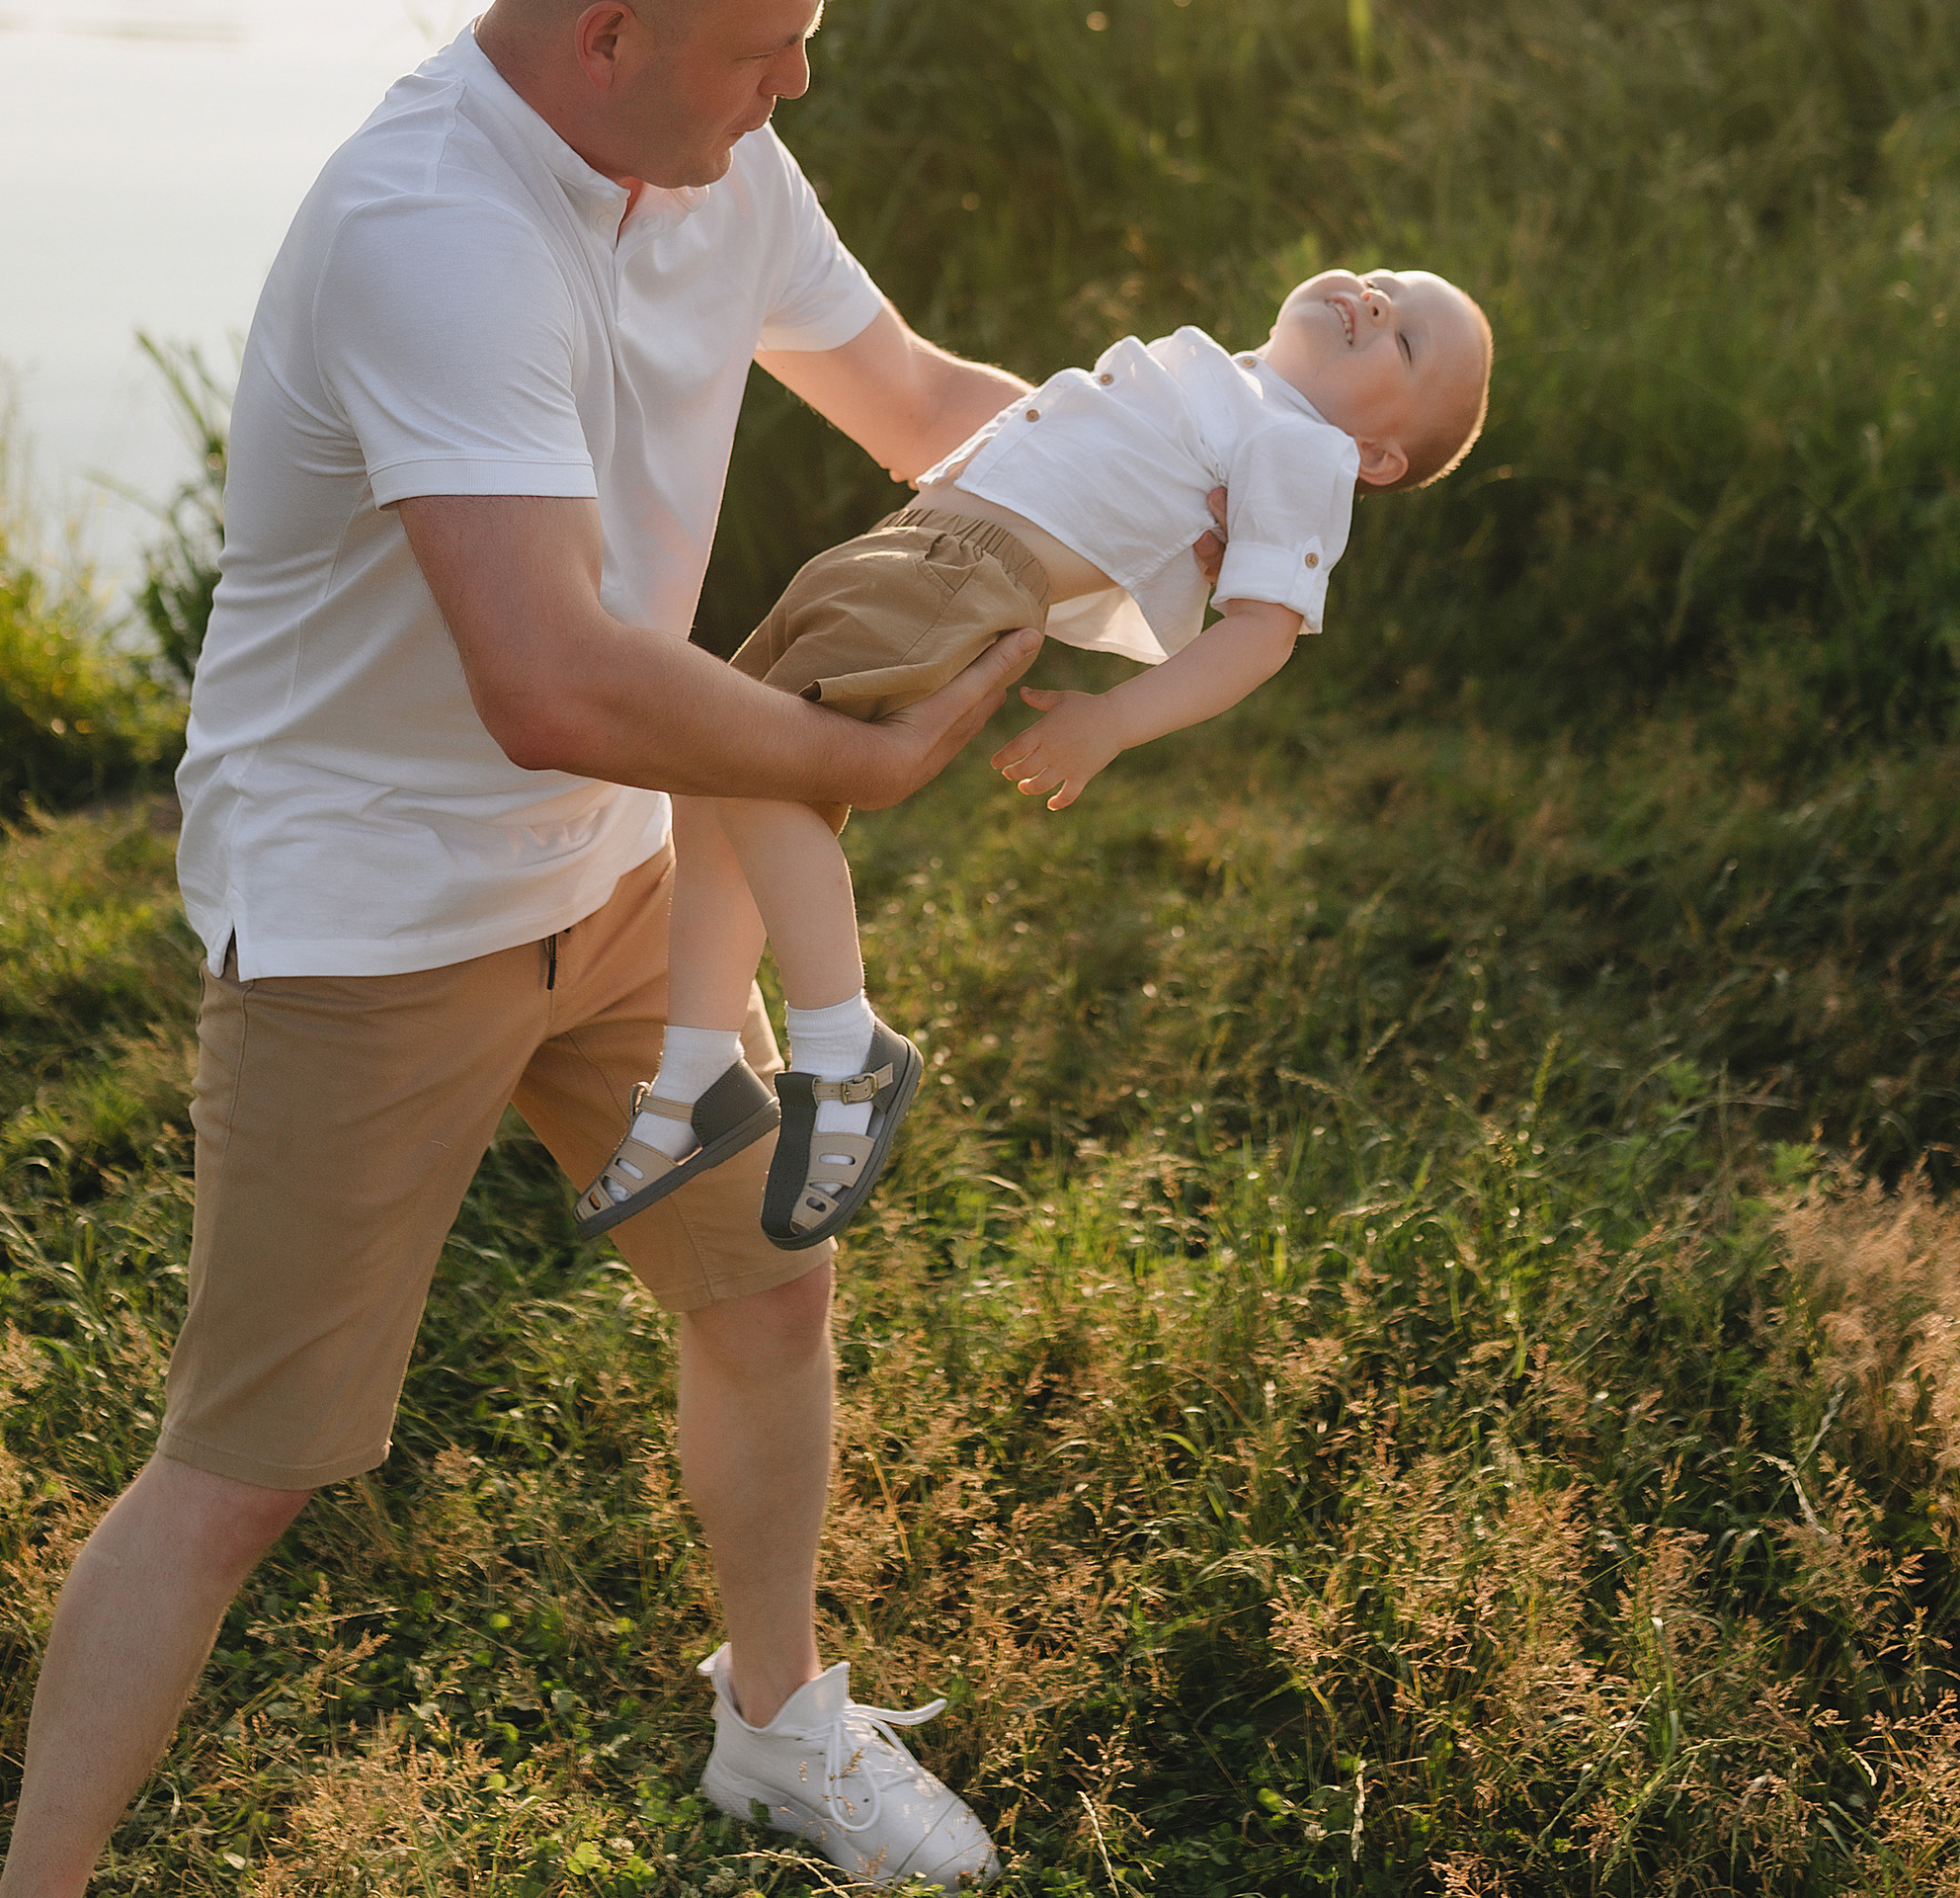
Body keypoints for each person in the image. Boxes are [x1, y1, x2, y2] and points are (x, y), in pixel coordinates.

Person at [0, 0, 1144, 1898]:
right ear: (603, 29)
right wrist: (855, 753)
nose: (798, 88)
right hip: (368, 914)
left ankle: (771, 1721)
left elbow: (913, 405)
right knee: (241, 1474)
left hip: (617, 883)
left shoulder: (707, 157)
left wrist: (1207, 470)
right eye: (767, 46)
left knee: (768, 1287)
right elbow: (549, 671)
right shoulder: (428, 224)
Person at [577, 268, 1492, 1251]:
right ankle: (699, 1070)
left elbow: (1263, 630)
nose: (1375, 302)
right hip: (900, 545)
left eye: (1405, 341)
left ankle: (845, 1052)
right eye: (1383, 281)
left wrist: (1113, 719)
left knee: (754, 768)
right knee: (710, 779)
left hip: (962, 572)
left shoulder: (1300, 443)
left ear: (1375, 459)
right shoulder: (1228, 381)